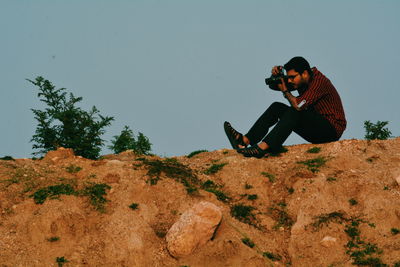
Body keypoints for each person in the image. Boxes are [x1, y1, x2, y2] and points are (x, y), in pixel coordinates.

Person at [224, 56, 346, 158]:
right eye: (289, 77)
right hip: (315, 126)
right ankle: (244, 141)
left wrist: (286, 91)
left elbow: (298, 105)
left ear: (304, 73)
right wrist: (275, 76)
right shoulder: (302, 79)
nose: (291, 81)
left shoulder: (318, 82)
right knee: (277, 107)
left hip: (330, 130)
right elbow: (274, 86)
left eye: (292, 77)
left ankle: (263, 148)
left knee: (296, 110)